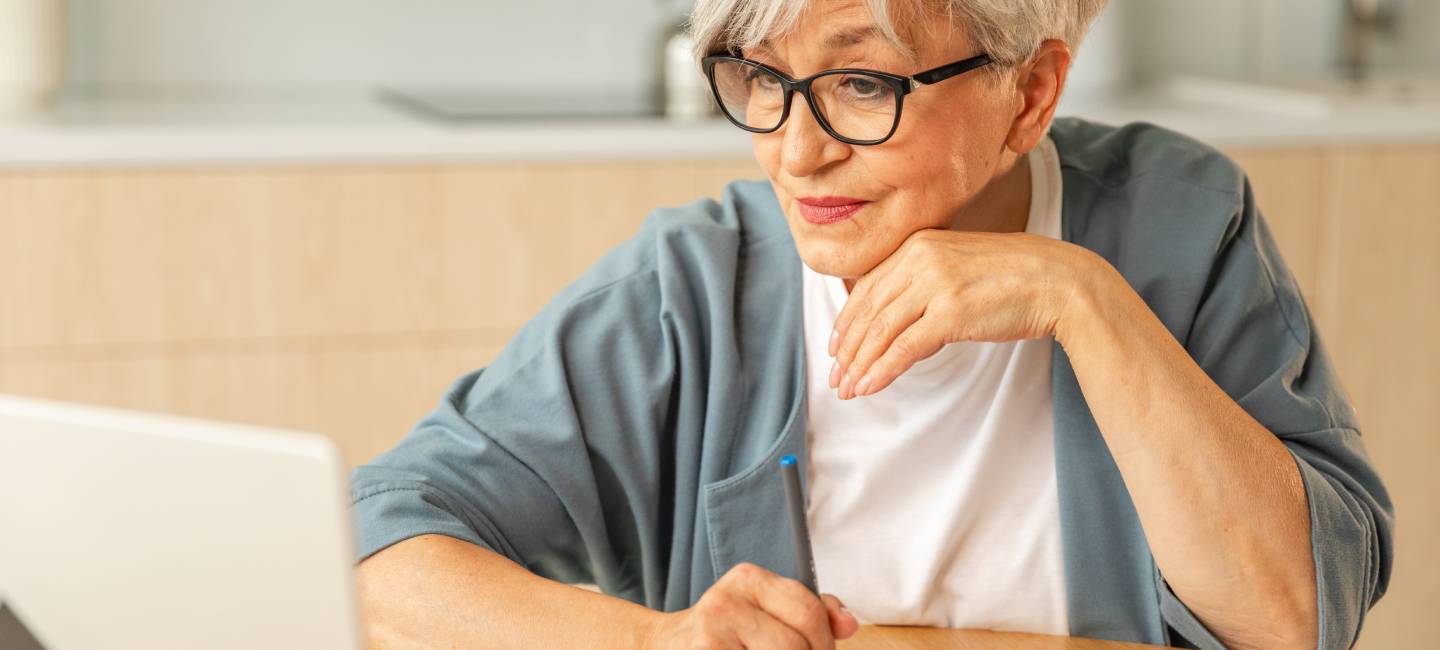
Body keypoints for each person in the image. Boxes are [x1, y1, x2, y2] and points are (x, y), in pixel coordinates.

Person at [349, 1, 1393, 648]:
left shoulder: (1177, 222)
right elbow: (373, 555)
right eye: (763, 76)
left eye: (859, 82)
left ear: (1029, 96)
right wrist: (648, 642)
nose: (796, 154)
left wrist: (1087, 303)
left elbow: (1296, 616)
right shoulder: (697, 286)